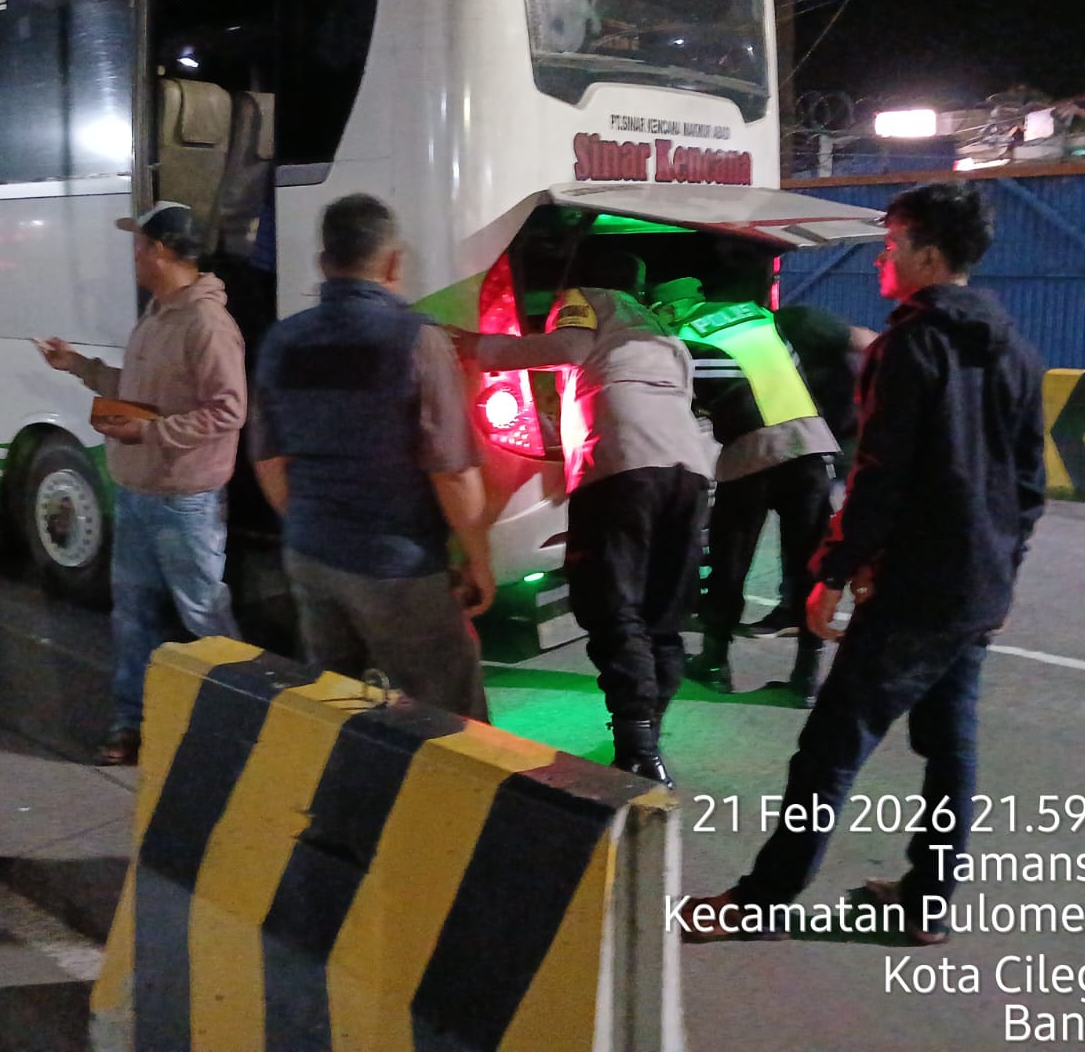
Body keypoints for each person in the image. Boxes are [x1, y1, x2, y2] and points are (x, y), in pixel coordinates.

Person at [679, 182, 1045, 945]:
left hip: (916, 590)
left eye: (892, 245)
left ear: (928, 255)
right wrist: (1003, 573)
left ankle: (762, 898)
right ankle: (927, 900)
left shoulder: (909, 346)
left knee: (831, 747)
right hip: (977, 586)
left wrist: (832, 573)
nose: (883, 260)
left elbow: (882, 476)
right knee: (949, 743)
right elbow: (1027, 485)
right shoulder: (1015, 347)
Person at [449, 250, 711, 785]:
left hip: (621, 463)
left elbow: (568, 348)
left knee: (613, 604)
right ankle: (646, 735)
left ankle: (638, 751)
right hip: (689, 471)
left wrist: (479, 348)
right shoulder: (660, 329)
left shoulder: (585, 300)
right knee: (663, 613)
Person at [250, 194, 493, 718]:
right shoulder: (416, 340)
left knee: (335, 707)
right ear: (393, 262)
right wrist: (479, 558)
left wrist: (314, 521)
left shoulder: (283, 341)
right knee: (451, 719)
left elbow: (268, 461)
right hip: (396, 566)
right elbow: (452, 471)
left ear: (323, 262)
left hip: (310, 556)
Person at [38, 201, 247, 766]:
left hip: (185, 500)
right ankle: (131, 722)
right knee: (132, 616)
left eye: (139, 245)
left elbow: (229, 410)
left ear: (161, 251)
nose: (132, 255)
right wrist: (78, 366)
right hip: (137, 491)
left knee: (204, 615)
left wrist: (152, 431)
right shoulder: (157, 314)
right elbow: (134, 388)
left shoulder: (207, 324)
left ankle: (242, 721)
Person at [650, 276, 839, 707]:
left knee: (730, 563)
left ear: (671, 310)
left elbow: (685, 409)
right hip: (810, 446)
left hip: (752, 454)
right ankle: (807, 677)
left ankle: (715, 663)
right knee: (807, 564)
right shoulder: (759, 317)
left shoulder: (685, 339)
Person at [746, 306, 878, 638]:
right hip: (804, 438)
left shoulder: (799, 322)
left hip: (837, 438)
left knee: (821, 527)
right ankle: (796, 609)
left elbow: (870, 342)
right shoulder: (750, 339)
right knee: (803, 523)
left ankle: (809, 610)